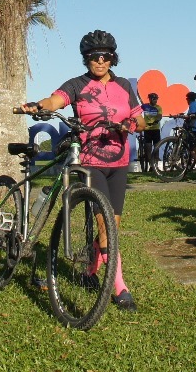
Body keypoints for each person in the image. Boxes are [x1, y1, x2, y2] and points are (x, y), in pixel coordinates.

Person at [22, 30, 143, 313]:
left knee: (113, 225)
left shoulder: (124, 86)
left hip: (119, 163)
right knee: (106, 226)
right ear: (85, 59)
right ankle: (119, 287)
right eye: (93, 56)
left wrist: (129, 125)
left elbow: (139, 119)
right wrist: (39, 106)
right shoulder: (77, 84)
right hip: (90, 161)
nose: (100, 61)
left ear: (113, 58)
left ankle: (90, 271)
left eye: (105, 56)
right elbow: (56, 100)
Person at [139, 93, 163, 174]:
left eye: (156, 99)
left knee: (156, 148)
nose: (155, 100)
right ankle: (151, 166)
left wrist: (157, 120)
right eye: (154, 99)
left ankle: (156, 166)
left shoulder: (158, 107)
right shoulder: (145, 106)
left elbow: (160, 116)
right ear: (149, 99)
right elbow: (137, 111)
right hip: (147, 130)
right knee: (148, 149)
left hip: (156, 130)